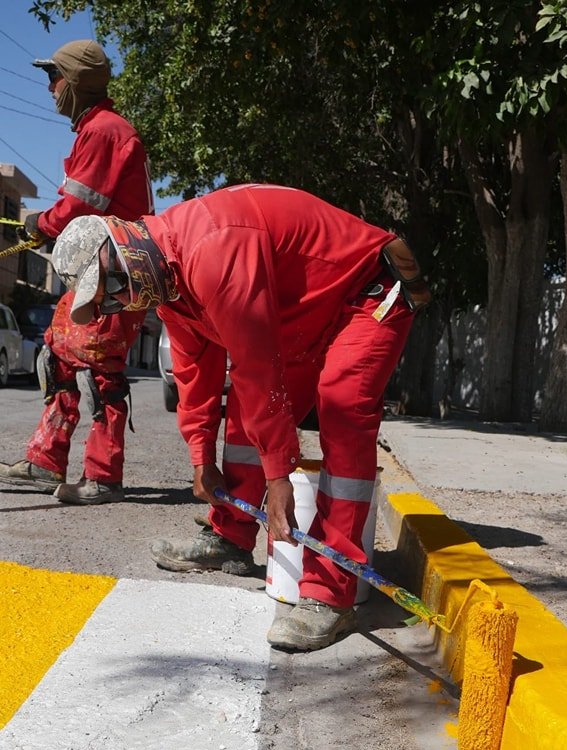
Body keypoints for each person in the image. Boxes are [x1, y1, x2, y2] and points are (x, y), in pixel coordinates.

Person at [49, 184, 429, 649]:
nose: (119, 303)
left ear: (124, 246)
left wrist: (278, 478)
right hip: (307, 317)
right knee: (251, 412)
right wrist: (200, 457)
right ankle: (230, 535)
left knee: (342, 407)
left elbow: (255, 363)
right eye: (108, 303)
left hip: (368, 295)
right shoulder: (167, 282)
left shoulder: (213, 247)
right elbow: (194, 372)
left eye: (110, 288)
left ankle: (332, 590)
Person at [0, 39, 154, 505]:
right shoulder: (99, 128)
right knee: (59, 355)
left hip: (117, 271)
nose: (50, 88)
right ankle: (46, 460)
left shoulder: (105, 130)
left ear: (76, 83)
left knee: (99, 368)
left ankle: (104, 476)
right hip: (103, 268)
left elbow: (81, 206)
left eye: (54, 77)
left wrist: (39, 224)